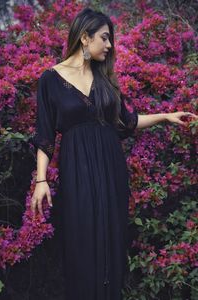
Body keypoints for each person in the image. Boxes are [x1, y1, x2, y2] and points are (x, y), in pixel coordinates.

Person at [30, 7, 197, 300]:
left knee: (111, 240)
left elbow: (127, 122)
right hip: (77, 170)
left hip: (111, 168)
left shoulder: (105, 80)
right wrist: (41, 181)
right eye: (104, 38)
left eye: (111, 40)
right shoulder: (50, 79)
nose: (109, 46)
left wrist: (166, 115)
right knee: (81, 241)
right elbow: (45, 136)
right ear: (84, 37)